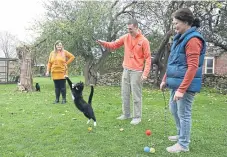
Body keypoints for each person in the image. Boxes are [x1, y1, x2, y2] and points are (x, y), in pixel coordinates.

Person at [160, 8, 206, 153]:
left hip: (185, 85)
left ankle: (183, 144)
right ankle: (181, 135)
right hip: (176, 83)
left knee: (184, 113)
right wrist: (164, 79)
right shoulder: (180, 37)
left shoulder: (193, 39)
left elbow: (192, 67)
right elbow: (172, 62)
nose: (175, 27)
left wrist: (182, 89)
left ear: (186, 22)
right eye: (174, 23)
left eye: (176, 23)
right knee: (174, 110)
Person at [96, 19, 151, 125]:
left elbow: (148, 58)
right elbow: (114, 45)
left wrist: (145, 73)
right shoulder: (125, 37)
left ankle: (137, 117)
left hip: (137, 71)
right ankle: (126, 114)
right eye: (128, 28)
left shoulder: (144, 41)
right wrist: (103, 43)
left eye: (130, 29)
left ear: (136, 27)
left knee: (136, 95)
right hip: (126, 69)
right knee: (125, 93)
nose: (129, 30)